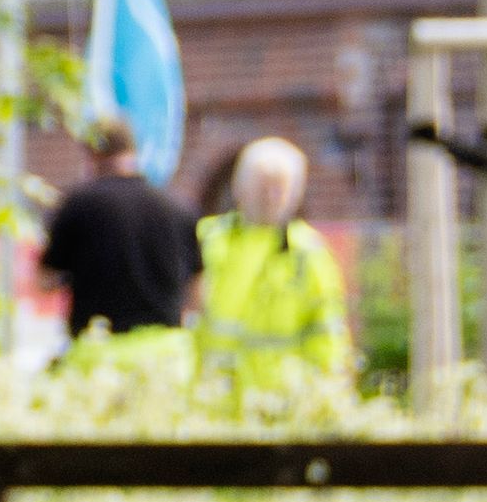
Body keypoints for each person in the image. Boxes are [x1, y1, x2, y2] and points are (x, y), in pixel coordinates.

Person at [195, 133, 348, 396]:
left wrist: (328, 388)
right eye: (261, 186)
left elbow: (326, 329)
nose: (270, 197)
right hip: (216, 397)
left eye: (280, 188)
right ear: (239, 188)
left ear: (296, 194)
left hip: (283, 399)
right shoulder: (208, 239)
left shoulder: (309, 251)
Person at [39, 114, 202, 338]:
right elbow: (197, 291)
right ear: (134, 150)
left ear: (92, 154)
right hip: (164, 348)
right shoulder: (179, 209)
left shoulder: (77, 206)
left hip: (100, 346)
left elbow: (45, 279)